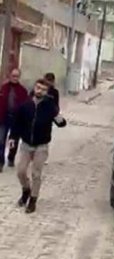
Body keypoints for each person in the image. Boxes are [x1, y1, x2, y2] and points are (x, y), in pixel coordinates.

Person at [8, 79, 66, 213]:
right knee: (20, 171)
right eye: (38, 87)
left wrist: (60, 118)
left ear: (46, 92)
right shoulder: (25, 105)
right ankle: (26, 190)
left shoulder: (50, 107)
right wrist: (13, 138)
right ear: (34, 88)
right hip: (26, 144)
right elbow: (17, 124)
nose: (39, 91)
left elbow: (61, 123)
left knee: (36, 174)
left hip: (41, 145)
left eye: (43, 89)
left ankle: (33, 200)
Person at [0, 68, 29, 171]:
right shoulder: (3, 88)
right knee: (1, 140)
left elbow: (26, 106)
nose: (15, 78)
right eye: (13, 76)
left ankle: (11, 158)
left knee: (14, 141)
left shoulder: (23, 90)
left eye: (17, 76)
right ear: (10, 76)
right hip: (3, 118)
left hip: (16, 119)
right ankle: (0, 162)